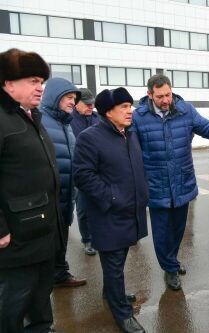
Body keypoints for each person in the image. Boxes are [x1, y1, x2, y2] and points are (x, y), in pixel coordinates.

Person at [132, 74, 209, 291]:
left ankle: (171, 260)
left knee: (179, 228)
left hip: (182, 179)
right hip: (156, 183)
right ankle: (169, 268)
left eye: (168, 94)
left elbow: (206, 129)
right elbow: (131, 150)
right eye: (160, 96)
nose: (165, 100)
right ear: (149, 94)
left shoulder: (185, 110)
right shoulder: (138, 117)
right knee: (161, 230)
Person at [73, 87, 148, 333]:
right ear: (108, 112)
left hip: (130, 212)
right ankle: (122, 315)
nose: (130, 111)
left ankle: (111, 294)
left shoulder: (128, 134)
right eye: (124, 107)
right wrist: (112, 197)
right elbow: (83, 176)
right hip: (109, 214)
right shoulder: (90, 137)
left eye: (130, 106)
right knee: (114, 265)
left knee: (119, 260)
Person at [0, 48, 64, 332]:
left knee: (40, 303)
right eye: (34, 80)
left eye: (42, 82)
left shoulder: (28, 116)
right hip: (15, 242)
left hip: (40, 232)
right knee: (12, 307)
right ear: (8, 82)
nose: (41, 88)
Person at [40, 78, 87, 288]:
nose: (72, 102)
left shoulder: (66, 124)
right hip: (48, 199)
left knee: (62, 239)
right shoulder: (40, 121)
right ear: (54, 97)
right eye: (68, 98)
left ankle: (60, 274)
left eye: (74, 98)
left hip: (67, 195)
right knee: (46, 246)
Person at [70, 87, 99, 256]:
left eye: (92, 104)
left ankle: (99, 235)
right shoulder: (69, 119)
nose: (90, 107)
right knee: (82, 209)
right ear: (76, 104)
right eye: (87, 104)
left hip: (98, 171)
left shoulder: (98, 118)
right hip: (80, 171)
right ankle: (87, 239)